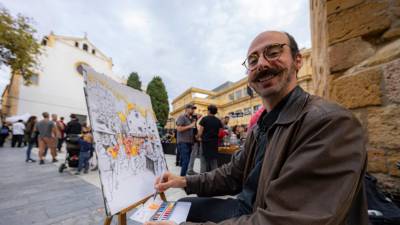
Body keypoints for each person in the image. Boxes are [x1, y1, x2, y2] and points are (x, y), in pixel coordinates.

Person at [146, 31, 367, 225]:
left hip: (263, 214)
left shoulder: (329, 123)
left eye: (273, 52)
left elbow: (286, 219)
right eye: (253, 60)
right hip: (249, 207)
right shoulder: (263, 124)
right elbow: (233, 174)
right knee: (181, 205)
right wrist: (184, 181)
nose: (261, 63)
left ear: (298, 60)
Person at [197, 104, 223, 172]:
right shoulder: (218, 120)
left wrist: (197, 137)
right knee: (214, 161)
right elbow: (220, 133)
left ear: (209, 111)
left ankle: (202, 178)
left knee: (204, 161)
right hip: (214, 143)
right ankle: (215, 178)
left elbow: (200, 132)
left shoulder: (204, 119)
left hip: (205, 143)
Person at [176, 104, 196, 176]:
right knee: (186, 161)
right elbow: (179, 129)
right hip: (183, 143)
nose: (193, 110)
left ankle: (183, 176)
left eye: (194, 109)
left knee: (186, 161)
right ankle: (182, 178)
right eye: (192, 108)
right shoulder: (182, 117)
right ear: (187, 109)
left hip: (189, 143)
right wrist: (190, 126)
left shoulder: (191, 119)